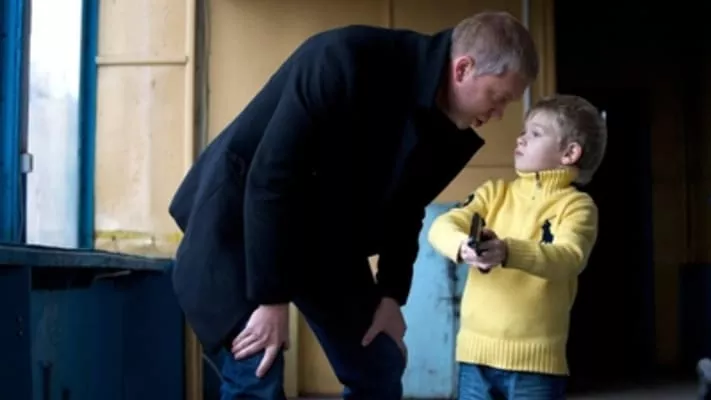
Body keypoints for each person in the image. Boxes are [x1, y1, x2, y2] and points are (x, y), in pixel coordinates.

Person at [168, 11, 538, 400]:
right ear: (463, 69)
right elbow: (271, 179)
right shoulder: (344, 59)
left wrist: (391, 296)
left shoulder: (449, 122)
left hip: (324, 236)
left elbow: (407, 207)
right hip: (243, 222)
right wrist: (271, 299)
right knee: (257, 365)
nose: (499, 115)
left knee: (379, 363)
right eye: (498, 98)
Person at [428, 94, 607, 400]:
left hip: (536, 366)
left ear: (569, 153)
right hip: (474, 357)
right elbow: (441, 226)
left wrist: (508, 252)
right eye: (524, 130)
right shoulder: (494, 192)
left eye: (535, 133)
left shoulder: (577, 206)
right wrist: (463, 246)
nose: (521, 138)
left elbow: (570, 258)